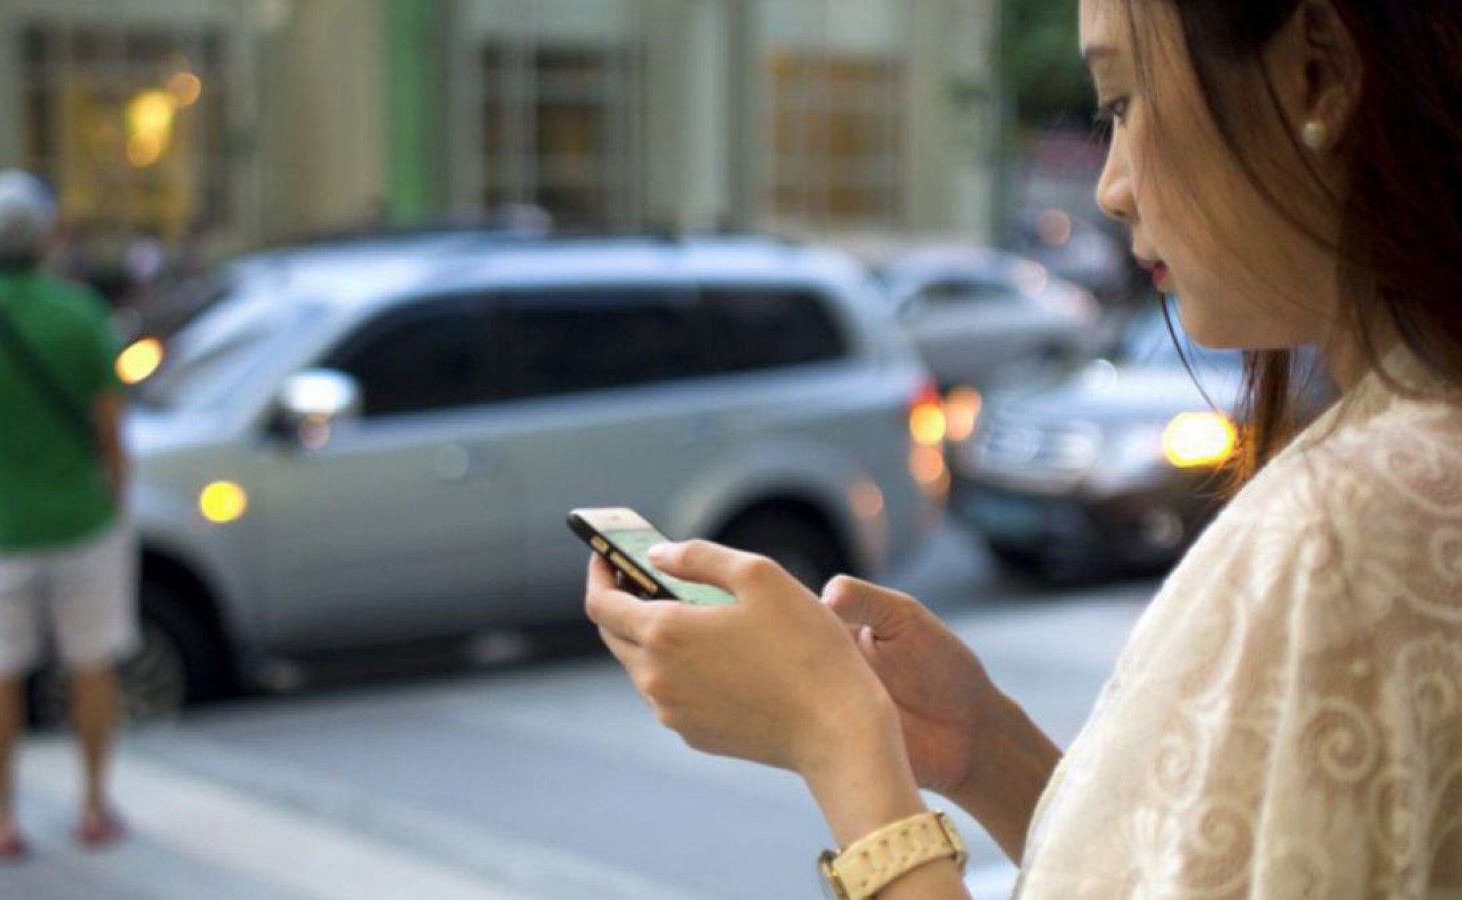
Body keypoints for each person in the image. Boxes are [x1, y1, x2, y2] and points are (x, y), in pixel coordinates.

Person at [585, 0, 1462, 896]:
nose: (1111, 186)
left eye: (1121, 103)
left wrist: (837, 735)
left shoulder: (1345, 527)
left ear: (1318, 74)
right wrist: (986, 750)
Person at [0, 170, 136, 861]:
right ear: (47, 238)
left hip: (2, 526)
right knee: (92, 666)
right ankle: (96, 806)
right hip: (83, 519)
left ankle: (1, 819)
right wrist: (117, 495)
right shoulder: (81, 314)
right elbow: (109, 427)